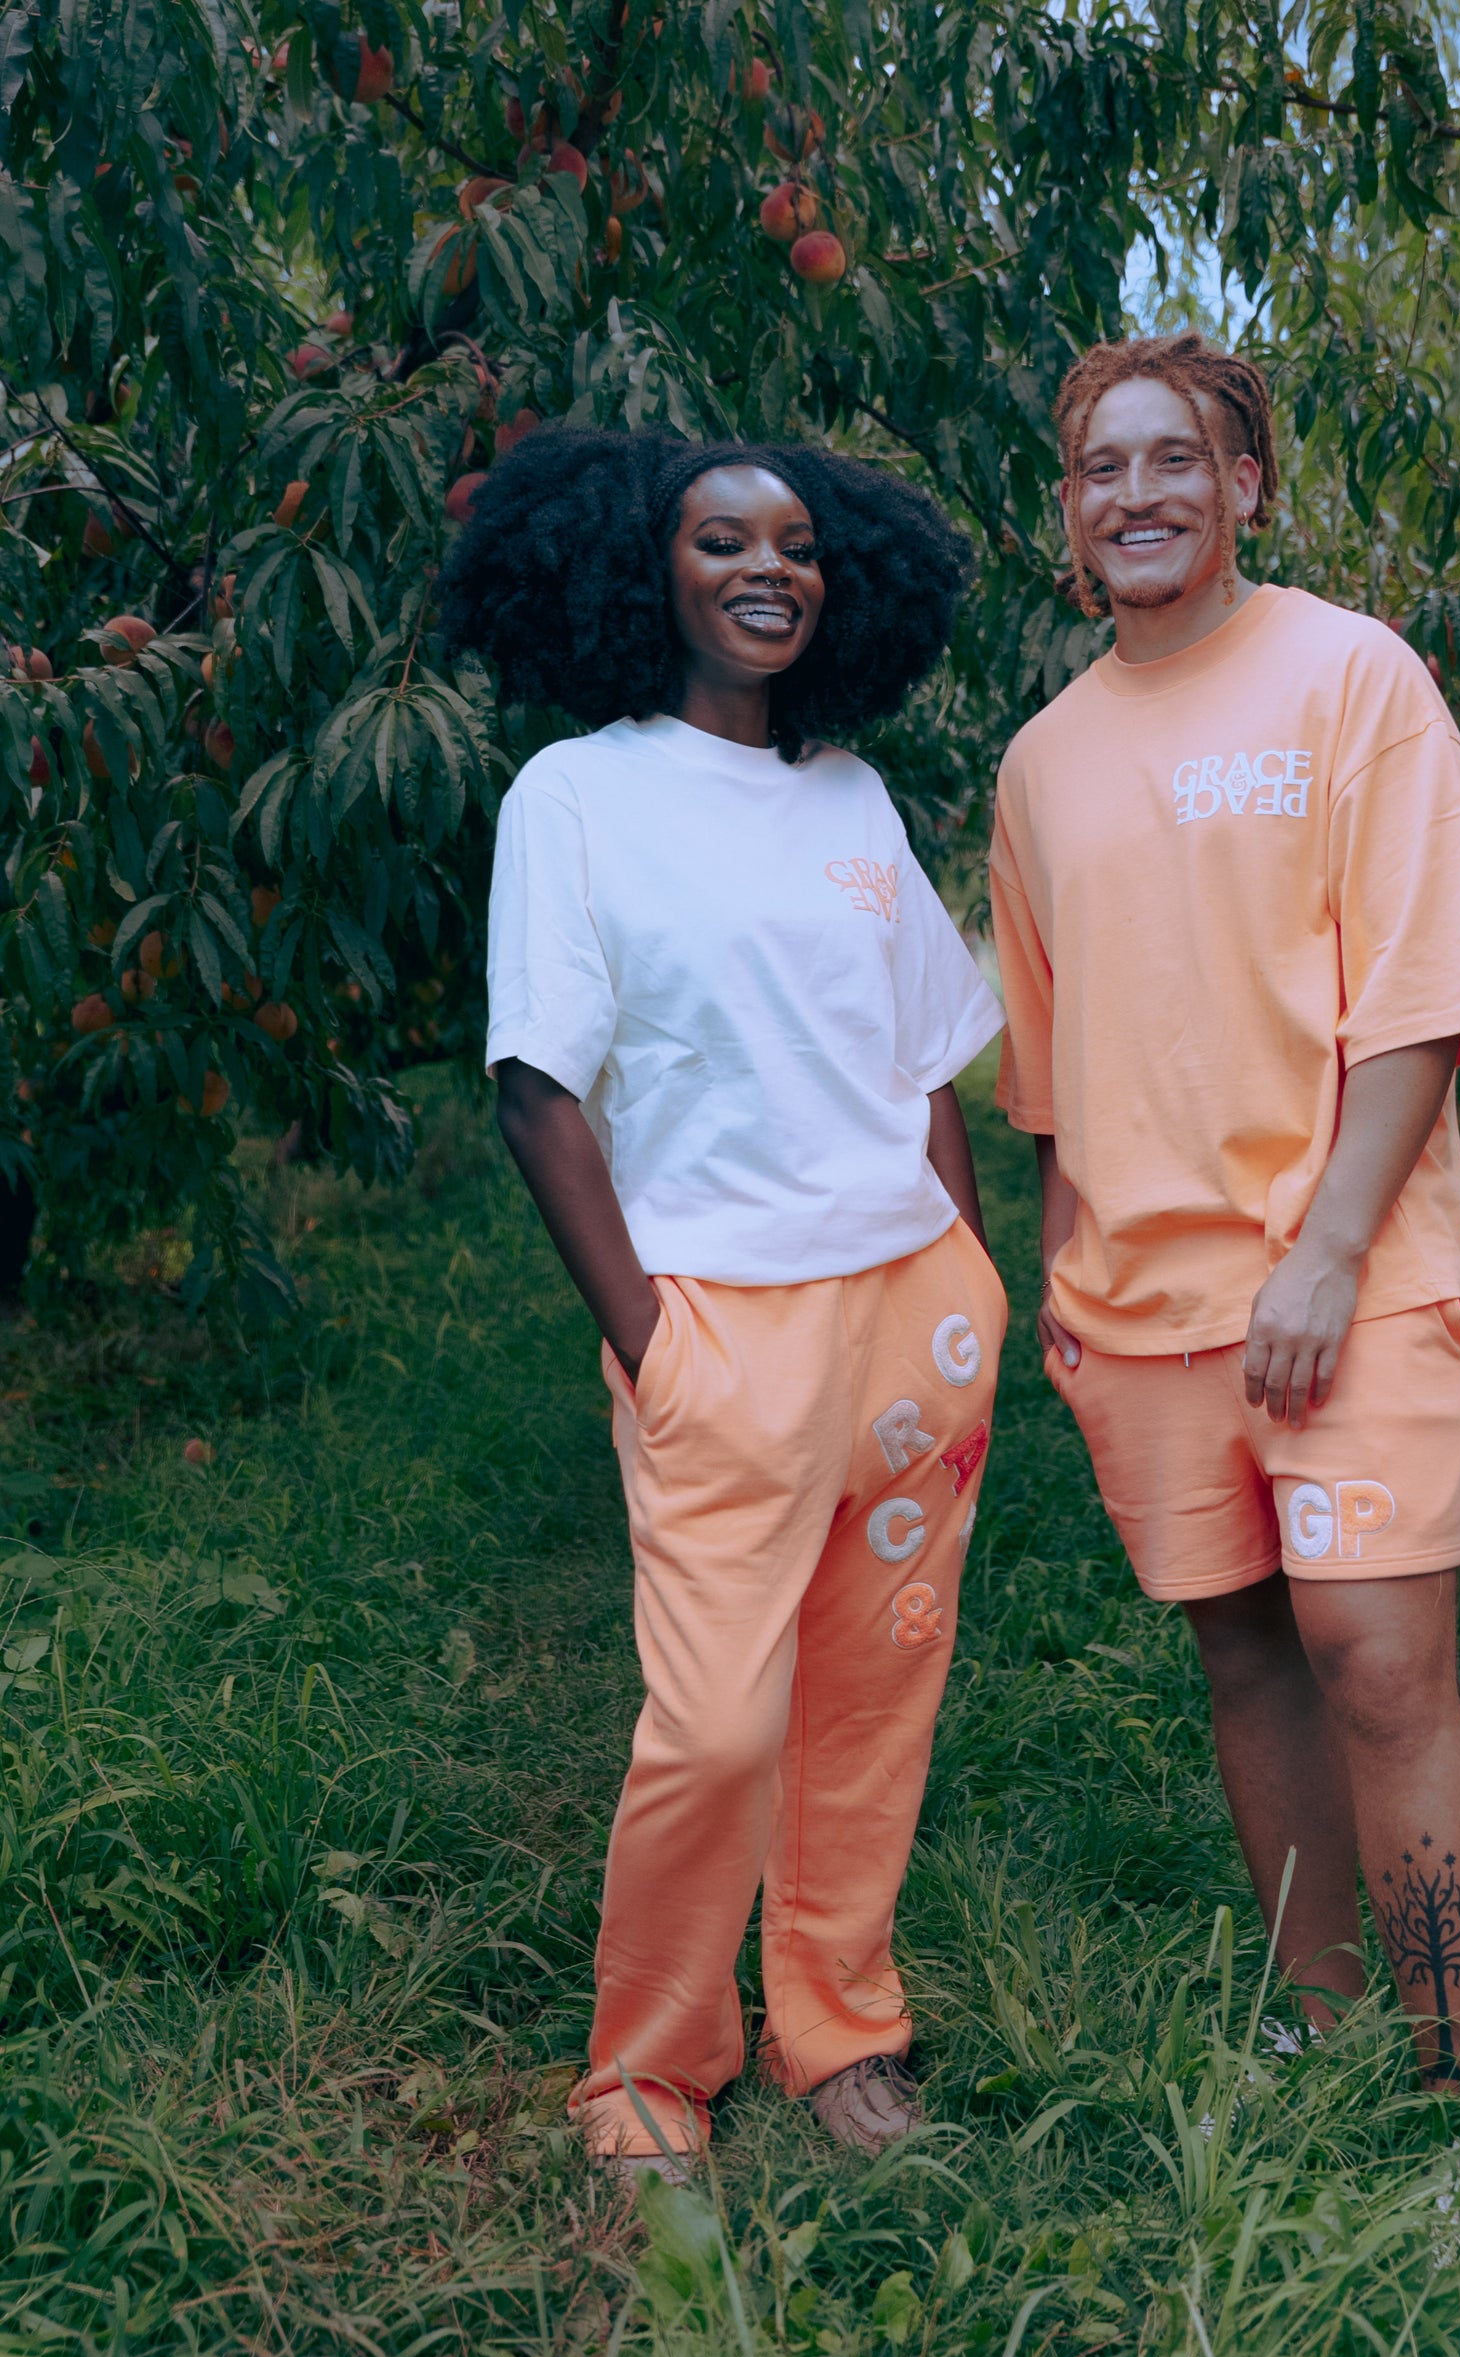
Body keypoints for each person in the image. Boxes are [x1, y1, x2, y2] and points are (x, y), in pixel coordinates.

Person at [442, 426, 1006, 2173]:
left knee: (869, 1698)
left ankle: (837, 2024)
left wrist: (971, 1272)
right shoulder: (577, 793)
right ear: (645, 572)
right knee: (712, 1723)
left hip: (910, 1314)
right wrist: (652, 1345)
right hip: (717, 1323)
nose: (769, 568)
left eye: (798, 544)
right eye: (720, 541)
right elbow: (539, 1089)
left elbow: (929, 1062)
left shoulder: (849, 798)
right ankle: (647, 2068)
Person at [987, 333, 1460, 2097]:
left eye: (1169, 459)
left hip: (1340, 1274)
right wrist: (1063, 1283)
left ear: (1243, 487)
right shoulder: (1041, 763)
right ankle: (1326, 2023)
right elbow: (1055, 1072)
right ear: (1069, 515)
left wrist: (1330, 1250)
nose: (1131, 495)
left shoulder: (1349, 677)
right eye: (1096, 469)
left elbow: (1425, 996)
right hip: (1136, 1304)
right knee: (1243, 1657)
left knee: (1376, 1661)